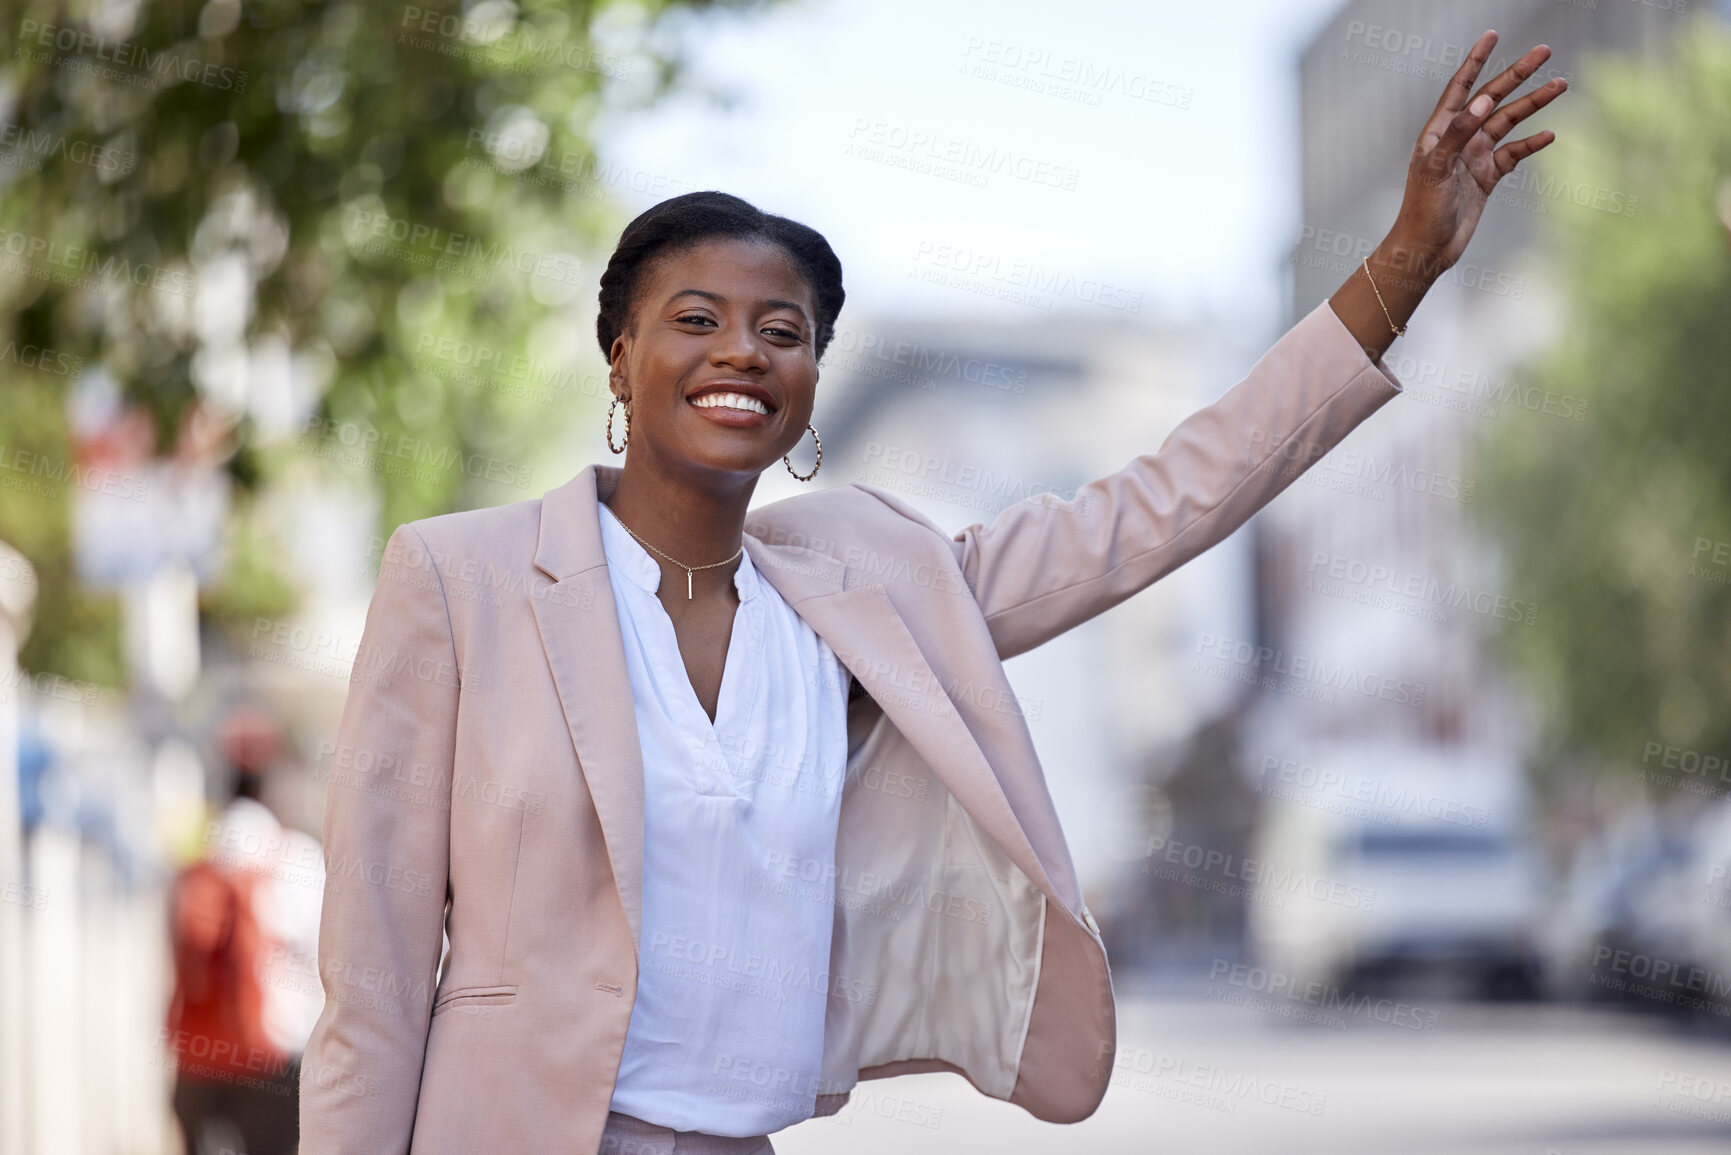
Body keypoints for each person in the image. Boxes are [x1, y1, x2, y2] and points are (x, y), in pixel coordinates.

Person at [299, 30, 1565, 1154]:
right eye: (696, 318)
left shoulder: (865, 594)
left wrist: (1400, 266)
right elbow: (373, 982)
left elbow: (1158, 507)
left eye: (782, 331)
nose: (742, 349)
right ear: (620, 358)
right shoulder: (459, 581)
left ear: (808, 385)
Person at [167, 706, 324, 1155]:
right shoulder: (297, 858)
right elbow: (324, 965)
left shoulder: (196, 856)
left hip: (198, 1054)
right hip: (274, 1056)